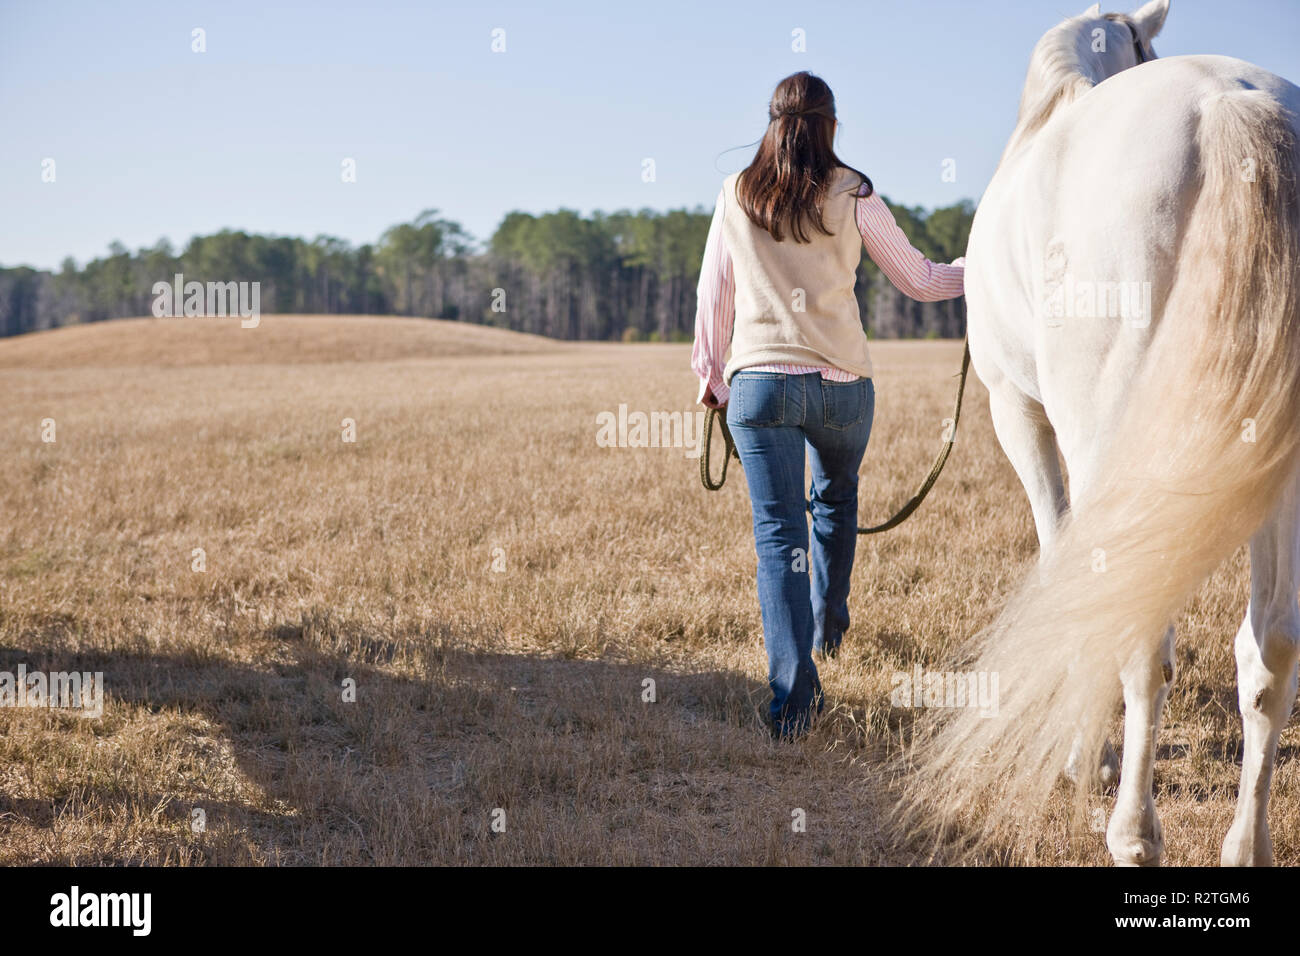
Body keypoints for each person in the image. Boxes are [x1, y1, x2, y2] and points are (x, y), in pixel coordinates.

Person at [691, 71, 966, 739]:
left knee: (779, 538)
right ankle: (829, 632)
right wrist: (985, 265)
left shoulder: (735, 193)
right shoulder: (855, 191)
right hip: (844, 385)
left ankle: (792, 705)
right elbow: (923, 280)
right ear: (831, 124)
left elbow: (714, 296)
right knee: (836, 501)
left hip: (760, 385)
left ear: (771, 122)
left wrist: (710, 376)